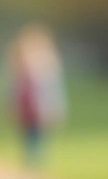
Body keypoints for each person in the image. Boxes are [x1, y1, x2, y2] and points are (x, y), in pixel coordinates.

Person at [7, 23, 66, 168]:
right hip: (26, 111)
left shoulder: (46, 69)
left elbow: (53, 92)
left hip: (40, 111)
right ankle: (31, 160)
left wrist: (56, 109)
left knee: (37, 136)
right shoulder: (19, 69)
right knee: (29, 136)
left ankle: (36, 160)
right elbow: (12, 92)